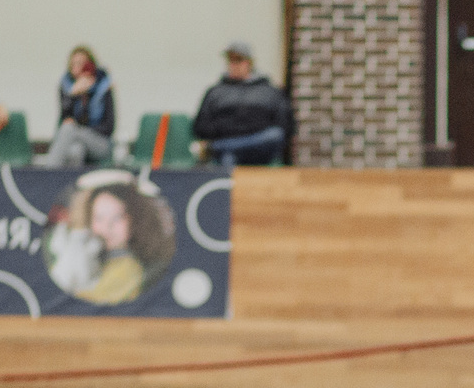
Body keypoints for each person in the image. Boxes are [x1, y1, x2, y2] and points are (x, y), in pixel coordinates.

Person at [43, 172, 178, 305]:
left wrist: (79, 233)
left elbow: (84, 290)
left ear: (135, 219)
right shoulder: (88, 249)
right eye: (99, 218)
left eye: (117, 218)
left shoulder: (129, 269)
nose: (108, 227)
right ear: (88, 219)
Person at [192, 41, 293, 167]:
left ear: (249, 62)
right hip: (228, 148)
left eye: (239, 60)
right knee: (228, 157)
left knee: (274, 135)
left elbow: (285, 126)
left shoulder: (270, 92)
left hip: (261, 151)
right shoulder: (215, 92)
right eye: (231, 60)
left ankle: (216, 148)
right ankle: (224, 149)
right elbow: (201, 127)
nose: (234, 65)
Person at [36, 46, 115, 168]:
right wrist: (74, 96)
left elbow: (109, 127)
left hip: (101, 143)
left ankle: (48, 172)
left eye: (80, 63)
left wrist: (81, 131)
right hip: (76, 141)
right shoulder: (67, 87)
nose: (76, 68)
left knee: (69, 129)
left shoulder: (104, 87)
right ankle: (72, 185)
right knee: (76, 150)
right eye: (73, 64)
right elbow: (65, 118)